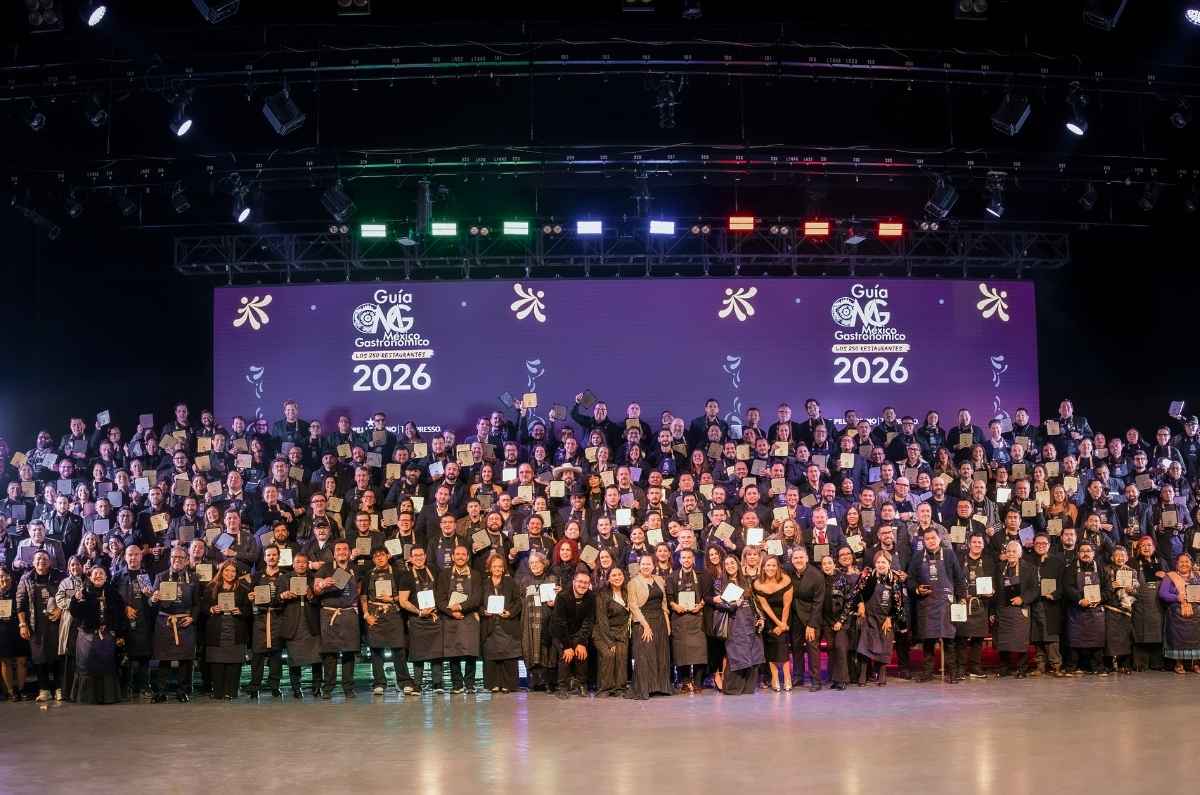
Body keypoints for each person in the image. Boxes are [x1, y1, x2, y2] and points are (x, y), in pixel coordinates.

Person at [907, 525, 967, 683]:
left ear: (939, 539)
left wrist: (961, 598)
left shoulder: (948, 554)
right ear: (924, 541)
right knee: (928, 641)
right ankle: (927, 673)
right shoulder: (918, 556)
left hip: (946, 603)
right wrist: (918, 589)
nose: (931, 541)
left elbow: (959, 578)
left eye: (933, 538)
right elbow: (910, 579)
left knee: (949, 640)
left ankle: (952, 673)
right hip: (926, 604)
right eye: (927, 539)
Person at [841, 550, 906, 687]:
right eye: (878, 562)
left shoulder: (894, 579)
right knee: (865, 645)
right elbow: (856, 593)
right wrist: (861, 604)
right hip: (869, 616)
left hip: (885, 618)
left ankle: (882, 675)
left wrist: (891, 618)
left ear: (889, 563)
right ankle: (863, 676)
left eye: (883, 562)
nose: (880, 565)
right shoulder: (867, 576)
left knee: (885, 644)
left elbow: (899, 603)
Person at [67, 564, 128, 704]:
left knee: (106, 666)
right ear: (90, 576)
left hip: (107, 636)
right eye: (95, 573)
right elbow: (75, 613)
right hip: (87, 636)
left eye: (101, 573)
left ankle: (107, 697)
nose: (98, 575)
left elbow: (120, 616)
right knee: (87, 666)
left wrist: (119, 634)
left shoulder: (113, 593)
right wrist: (75, 600)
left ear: (106, 577)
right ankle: (87, 697)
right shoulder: (83, 592)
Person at [361, 546, 417, 695]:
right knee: (376, 650)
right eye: (376, 556)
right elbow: (364, 596)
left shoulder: (399, 573)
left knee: (398, 649)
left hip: (394, 613)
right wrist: (366, 614)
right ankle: (379, 683)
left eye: (382, 555)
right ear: (373, 559)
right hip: (375, 614)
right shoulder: (368, 575)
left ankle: (404, 681)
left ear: (388, 556)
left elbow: (405, 596)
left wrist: (391, 599)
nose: (379, 558)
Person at [150, 547, 200, 702]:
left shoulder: (193, 578)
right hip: (165, 622)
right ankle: (160, 691)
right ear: (169, 559)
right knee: (163, 658)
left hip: (185, 621)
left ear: (186, 560)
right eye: (173, 557)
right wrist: (153, 599)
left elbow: (197, 603)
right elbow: (151, 602)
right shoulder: (161, 576)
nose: (176, 560)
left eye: (180, 557)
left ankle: (183, 691)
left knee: (185, 659)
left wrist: (193, 618)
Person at [711, 554, 764, 695]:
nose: (730, 566)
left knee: (753, 652)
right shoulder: (719, 583)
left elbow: (754, 602)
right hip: (733, 621)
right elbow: (718, 604)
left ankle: (748, 687)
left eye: (732, 563)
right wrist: (734, 604)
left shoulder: (746, 580)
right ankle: (733, 688)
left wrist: (760, 617)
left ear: (738, 564)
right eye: (727, 564)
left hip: (749, 620)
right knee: (737, 654)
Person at [314, 539, 362, 699]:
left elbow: (359, 591)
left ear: (349, 552)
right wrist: (322, 585)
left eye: (345, 549)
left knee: (349, 652)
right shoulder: (325, 568)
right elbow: (314, 589)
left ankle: (348, 687)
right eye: (338, 549)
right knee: (330, 653)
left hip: (349, 614)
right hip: (329, 615)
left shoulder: (355, 569)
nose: (342, 552)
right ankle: (328, 687)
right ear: (334, 553)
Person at [16, 549, 65, 702]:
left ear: (50, 562)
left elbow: (69, 595)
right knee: (39, 657)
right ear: (33, 562)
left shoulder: (60, 576)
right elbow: (20, 604)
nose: (41, 562)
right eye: (38, 559)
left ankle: (59, 688)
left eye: (44, 559)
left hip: (57, 623)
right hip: (35, 624)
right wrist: (22, 624)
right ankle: (44, 690)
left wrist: (61, 609)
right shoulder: (26, 578)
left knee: (58, 656)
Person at [436, 544, 482, 694]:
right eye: (458, 554)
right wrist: (451, 612)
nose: (460, 556)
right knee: (453, 652)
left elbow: (477, 598)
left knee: (471, 652)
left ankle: (469, 684)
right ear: (453, 557)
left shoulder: (475, 575)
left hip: (469, 616)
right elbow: (440, 599)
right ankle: (457, 684)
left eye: (463, 554)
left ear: (468, 557)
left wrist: (461, 607)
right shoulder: (444, 575)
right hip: (450, 618)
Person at [202, 559, 250, 700]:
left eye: (233, 571)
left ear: (237, 573)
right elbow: (203, 606)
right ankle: (218, 691)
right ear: (222, 571)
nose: (230, 573)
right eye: (227, 570)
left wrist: (240, 610)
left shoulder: (243, 589)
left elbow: (249, 610)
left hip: (236, 630)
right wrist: (211, 608)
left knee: (234, 664)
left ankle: (231, 691)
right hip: (217, 630)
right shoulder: (211, 588)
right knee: (217, 664)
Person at [628, 554, 672, 699]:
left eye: (649, 564)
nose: (646, 566)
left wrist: (667, 623)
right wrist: (645, 625)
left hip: (660, 620)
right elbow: (633, 606)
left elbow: (664, 602)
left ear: (654, 566)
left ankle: (660, 687)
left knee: (661, 654)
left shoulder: (659, 579)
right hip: (643, 620)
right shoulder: (633, 582)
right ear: (639, 566)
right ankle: (645, 688)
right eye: (643, 564)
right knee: (645, 655)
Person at [279, 551, 323, 698]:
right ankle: (296, 689)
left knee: (316, 658)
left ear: (308, 564)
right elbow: (276, 601)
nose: (301, 564)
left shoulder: (314, 578)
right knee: (294, 659)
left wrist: (312, 596)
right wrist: (283, 596)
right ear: (293, 564)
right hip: (293, 624)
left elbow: (321, 600)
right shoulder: (284, 578)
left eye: (304, 562)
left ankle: (317, 687)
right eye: (298, 562)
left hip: (311, 622)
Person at [1063, 541, 1111, 675]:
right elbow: (1067, 587)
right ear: (1078, 554)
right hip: (1077, 611)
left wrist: (1100, 599)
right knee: (1075, 640)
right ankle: (1072, 667)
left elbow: (1108, 588)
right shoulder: (1071, 568)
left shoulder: (1101, 569)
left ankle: (1098, 667)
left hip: (1096, 612)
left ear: (1093, 554)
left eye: (1088, 551)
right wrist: (1079, 599)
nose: (1085, 554)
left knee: (1097, 640)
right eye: (1082, 551)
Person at [247, 545, 288, 699]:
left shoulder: (285, 576)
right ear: (264, 558)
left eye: (274, 555)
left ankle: (274, 686)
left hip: (277, 617)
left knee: (276, 655)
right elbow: (251, 595)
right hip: (260, 618)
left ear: (279, 557)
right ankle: (255, 686)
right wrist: (250, 597)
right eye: (268, 555)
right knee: (257, 655)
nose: (271, 557)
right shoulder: (256, 576)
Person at [666, 547, 709, 693]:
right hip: (679, 618)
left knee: (699, 651)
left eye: (689, 557)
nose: (686, 560)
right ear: (679, 560)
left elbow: (707, 596)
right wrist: (675, 606)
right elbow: (669, 598)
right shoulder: (672, 577)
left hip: (697, 617)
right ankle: (685, 682)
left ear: (694, 559)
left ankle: (697, 682)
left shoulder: (702, 575)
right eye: (683, 557)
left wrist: (701, 605)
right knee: (681, 651)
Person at [479, 554, 523, 693]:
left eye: (500, 566)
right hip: (490, 625)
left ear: (504, 568)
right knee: (491, 656)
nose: (497, 569)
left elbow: (518, 602)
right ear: (489, 568)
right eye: (494, 566)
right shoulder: (484, 584)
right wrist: (484, 612)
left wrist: (510, 612)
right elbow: (478, 604)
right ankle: (493, 684)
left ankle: (508, 684)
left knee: (508, 656)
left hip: (507, 623)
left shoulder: (511, 583)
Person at [404, 546, 445, 693]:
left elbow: (442, 592)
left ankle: (438, 684)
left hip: (434, 617)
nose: (419, 558)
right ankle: (417, 684)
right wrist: (419, 612)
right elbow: (403, 601)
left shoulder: (434, 571)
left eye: (421, 555)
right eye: (415, 555)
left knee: (436, 652)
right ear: (411, 558)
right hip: (417, 618)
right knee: (418, 653)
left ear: (425, 556)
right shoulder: (406, 576)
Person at [994, 540, 1038, 676]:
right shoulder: (1000, 568)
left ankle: (1022, 668)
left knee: (1020, 640)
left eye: (1014, 551)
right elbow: (995, 588)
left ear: (1020, 554)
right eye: (1008, 551)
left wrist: (1023, 599)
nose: (1011, 554)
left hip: (1020, 610)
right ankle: (1004, 667)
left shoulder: (1029, 568)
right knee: (1003, 641)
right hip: (1003, 609)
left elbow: (1035, 589)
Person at [955, 534, 995, 680]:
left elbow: (994, 580)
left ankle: (975, 667)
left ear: (983, 545)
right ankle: (960, 667)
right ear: (969, 544)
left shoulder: (989, 561)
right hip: (963, 603)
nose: (977, 544)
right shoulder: (959, 559)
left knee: (978, 639)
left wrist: (993, 590)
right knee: (961, 638)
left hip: (981, 603)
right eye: (974, 542)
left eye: (980, 542)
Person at [517, 551, 558, 692]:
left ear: (543, 563)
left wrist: (556, 601)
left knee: (546, 649)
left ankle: (547, 682)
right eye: (531, 563)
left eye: (536, 562)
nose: (534, 565)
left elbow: (558, 600)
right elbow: (521, 601)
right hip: (529, 621)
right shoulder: (525, 581)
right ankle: (534, 680)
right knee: (530, 646)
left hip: (546, 620)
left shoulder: (552, 579)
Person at [550, 570, 595, 699]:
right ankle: (562, 686)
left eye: (586, 583)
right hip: (560, 633)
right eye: (580, 581)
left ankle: (581, 684)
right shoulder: (563, 596)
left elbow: (588, 621)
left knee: (581, 652)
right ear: (574, 582)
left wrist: (581, 642)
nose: (583, 585)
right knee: (567, 654)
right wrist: (567, 646)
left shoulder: (591, 597)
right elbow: (560, 623)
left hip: (578, 632)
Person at [787, 547, 825, 690]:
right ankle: (798, 676)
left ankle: (816, 680)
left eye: (801, 557)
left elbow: (818, 602)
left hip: (811, 616)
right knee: (796, 647)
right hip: (795, 616)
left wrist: (812, 624)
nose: (798, 560)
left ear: (807, 559)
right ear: (791, 560)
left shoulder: (816, 575)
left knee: (812, 648)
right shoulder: (789, 572)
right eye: (795, 558)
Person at [753, 555, 793, 692]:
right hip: (769, 619)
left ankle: (787, 677)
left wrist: (783, 624)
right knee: (770, 648)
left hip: (785, 616)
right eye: (768, 565)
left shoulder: (786, 580)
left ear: (778, 567)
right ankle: (774, 677)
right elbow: (765, 607)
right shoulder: (757, 583)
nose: (771, 568)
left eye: (773, 565)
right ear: (763, 567)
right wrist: (777, 624)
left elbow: (787, 604)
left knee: (782, 645)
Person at [1159, 552, 1200, 674]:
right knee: (1178, 637)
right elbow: (1163, 594)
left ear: (1191, 564)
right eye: (1181, 562)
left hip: (1197, 612)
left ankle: (1196, 663)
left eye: (1187, 562)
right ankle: (1179, 663)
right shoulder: (1170, 577)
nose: (1184, 564)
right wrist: (1177, 597)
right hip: (1176, 613)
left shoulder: (1197, 576)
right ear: (1176, 564)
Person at [593, 566, 631, 697]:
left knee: (622, 654)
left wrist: (623, 635)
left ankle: (620, 688)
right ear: (608, 578)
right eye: (614, 575)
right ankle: (605, 688)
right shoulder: (602, 595)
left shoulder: (627, 593)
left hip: (621, 633)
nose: (617, 577)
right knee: (609, 654)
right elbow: (602, 621)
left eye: (619, 574)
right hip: (603, 634)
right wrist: (610, 642)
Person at [822, 553, 857, 690]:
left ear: (834, 564)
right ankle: (834, 679)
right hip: (826, 621)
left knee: (840, 648)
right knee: (831, 649)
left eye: (829, 563)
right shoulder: (820, 579)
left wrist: (841, 621)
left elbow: (849, 602)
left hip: (841, 621)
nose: (827, 566)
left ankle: (843, 679)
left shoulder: (842, 579)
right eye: (824, 564)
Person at [1130, 536, 1165, 671]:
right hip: (1139, 604)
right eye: (1143, 545)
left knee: (1157, 633)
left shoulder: (1161, 562)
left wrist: (1166, 576)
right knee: (1140, 633)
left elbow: (1171, 578)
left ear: (1154, 548)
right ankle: (1140, 663)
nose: (1146, 548)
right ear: (1138, 549)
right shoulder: (1132, 563)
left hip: (1157, 604)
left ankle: (1157, 663)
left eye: (1149, 545)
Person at [1103, 545, 1139, 674]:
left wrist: (1132, 590)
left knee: (1125, 638)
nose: (1120, 558)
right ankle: (1108, 665)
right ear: (1112, 557)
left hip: (1126, 609)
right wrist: (1111, 586)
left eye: (1123, 555)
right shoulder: (1106, 570)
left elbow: (1138, 593)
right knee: (1110, 638)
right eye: (1117, 555)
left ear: (1127, 557)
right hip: (1110, 607)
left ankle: (1124, 664)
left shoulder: (1132, 571)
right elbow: (1101, 590)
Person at [0, 567, 30, 700]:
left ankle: (22, 689)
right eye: (0, 576)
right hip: (2, 629)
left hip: (17, 627)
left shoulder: (18, 590)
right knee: (5, 661)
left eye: (5, 575)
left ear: (10, 576)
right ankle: (11, 691)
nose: (2, 578)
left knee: (21, 660)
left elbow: (24, 607)